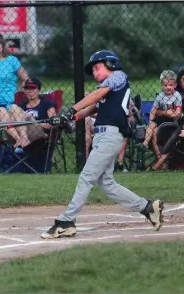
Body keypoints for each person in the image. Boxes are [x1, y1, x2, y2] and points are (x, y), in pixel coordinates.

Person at [41, 50, 164, 239]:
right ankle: (147, 207)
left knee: (86, 177)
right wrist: (66, 118)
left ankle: (66, 221)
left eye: (98, 68)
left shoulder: (118, 77)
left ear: (111, 64)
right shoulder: (108, 91)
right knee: (107, 184)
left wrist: (71, 109)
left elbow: (98, 95)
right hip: (103, 136)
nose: (95, 73)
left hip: (110, 135)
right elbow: (92, 108)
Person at [0, 32, 29, 143]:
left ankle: (16, 153)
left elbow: (26, 79)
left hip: (10, 102)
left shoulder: (12, 60)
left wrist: (19, 93)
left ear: (3, 46)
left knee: (11, 135)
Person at [136, 70, 182, 168]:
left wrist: (175, 114)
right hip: (161, 118)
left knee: (157, 129)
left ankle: (161, 163)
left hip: (172, 121)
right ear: (162, 85)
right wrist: (151, 121)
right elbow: (154, 110)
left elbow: (179, 109)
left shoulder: (177, 95)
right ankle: (145, 143)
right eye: (165, 85)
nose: (168, 87)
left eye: (170, 85)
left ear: (175, 85)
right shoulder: (160, 96)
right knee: (152, 125)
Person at [0, 77, 56, 149]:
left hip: (39, 133)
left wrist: (33, 122)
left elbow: (53, 123)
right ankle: (20, 139)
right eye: (27, 88)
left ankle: (23, 139)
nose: (29, 91)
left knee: (13, 107)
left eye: (33, 88)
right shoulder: (21, 105)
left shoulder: (46, 103)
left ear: (39, 90)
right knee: (0, 110)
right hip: (19, 133)